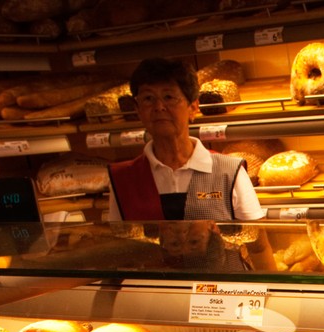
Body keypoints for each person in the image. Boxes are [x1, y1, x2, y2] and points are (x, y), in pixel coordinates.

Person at [106, 57, 265, 223]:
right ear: (137, 111)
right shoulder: (122, 180)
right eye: (148, 98)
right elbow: (121, 244)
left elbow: (257, 246)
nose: (159, 107)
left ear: (193, 108)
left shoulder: (229, 172)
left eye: (169, 97)